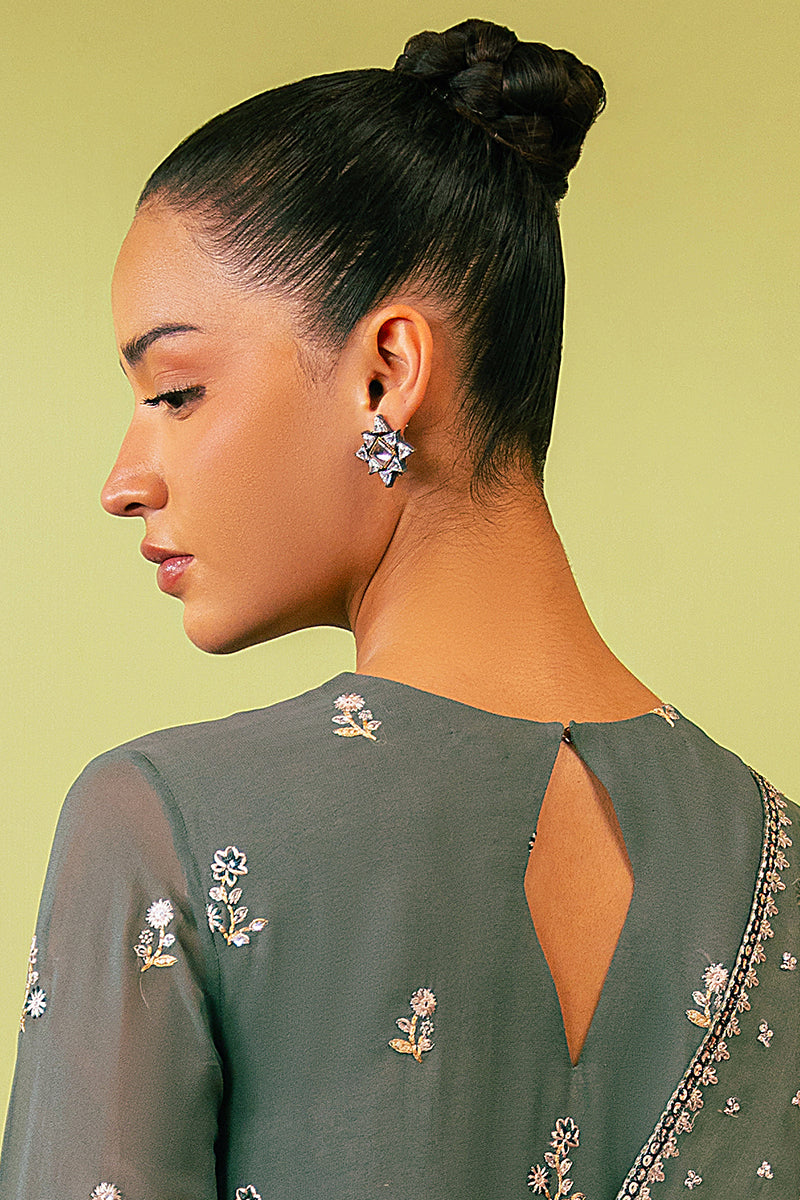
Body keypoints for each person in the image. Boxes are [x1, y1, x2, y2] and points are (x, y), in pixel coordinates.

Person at [1, 17, 797, 1200]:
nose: (123, 480)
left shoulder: (163, 828)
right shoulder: (778, 858)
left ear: (386, 374)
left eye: (175, 390)